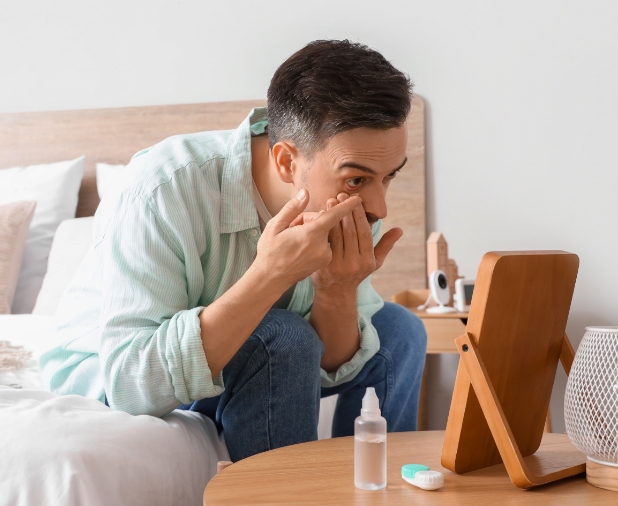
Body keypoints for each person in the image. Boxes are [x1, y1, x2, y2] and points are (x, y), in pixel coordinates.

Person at [41, 39, 427, 462]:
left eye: (388, 177)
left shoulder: (352, 197)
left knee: (400, 332)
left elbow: (329, 362)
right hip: (119, 369)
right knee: (282, 337)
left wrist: (337, 290)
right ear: (286, 162)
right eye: (358, 180)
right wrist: (269, 275)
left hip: (264, 363)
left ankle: (372, 488)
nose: (378, 207)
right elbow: (134, 380)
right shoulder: (165, 187)